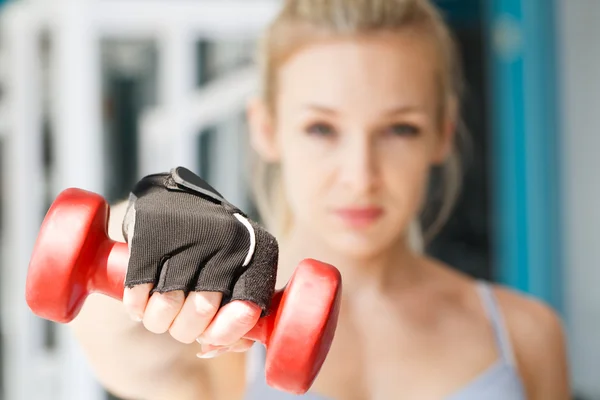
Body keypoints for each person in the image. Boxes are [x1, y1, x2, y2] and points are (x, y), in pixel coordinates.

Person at [69, 0, 571, 399]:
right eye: (321, 128)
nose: (361, 176)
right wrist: (135, 230)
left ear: (441, 134)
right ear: (266, 129)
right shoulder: (211, 325)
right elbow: (114, 340)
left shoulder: (525, 332)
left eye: (400, 128)